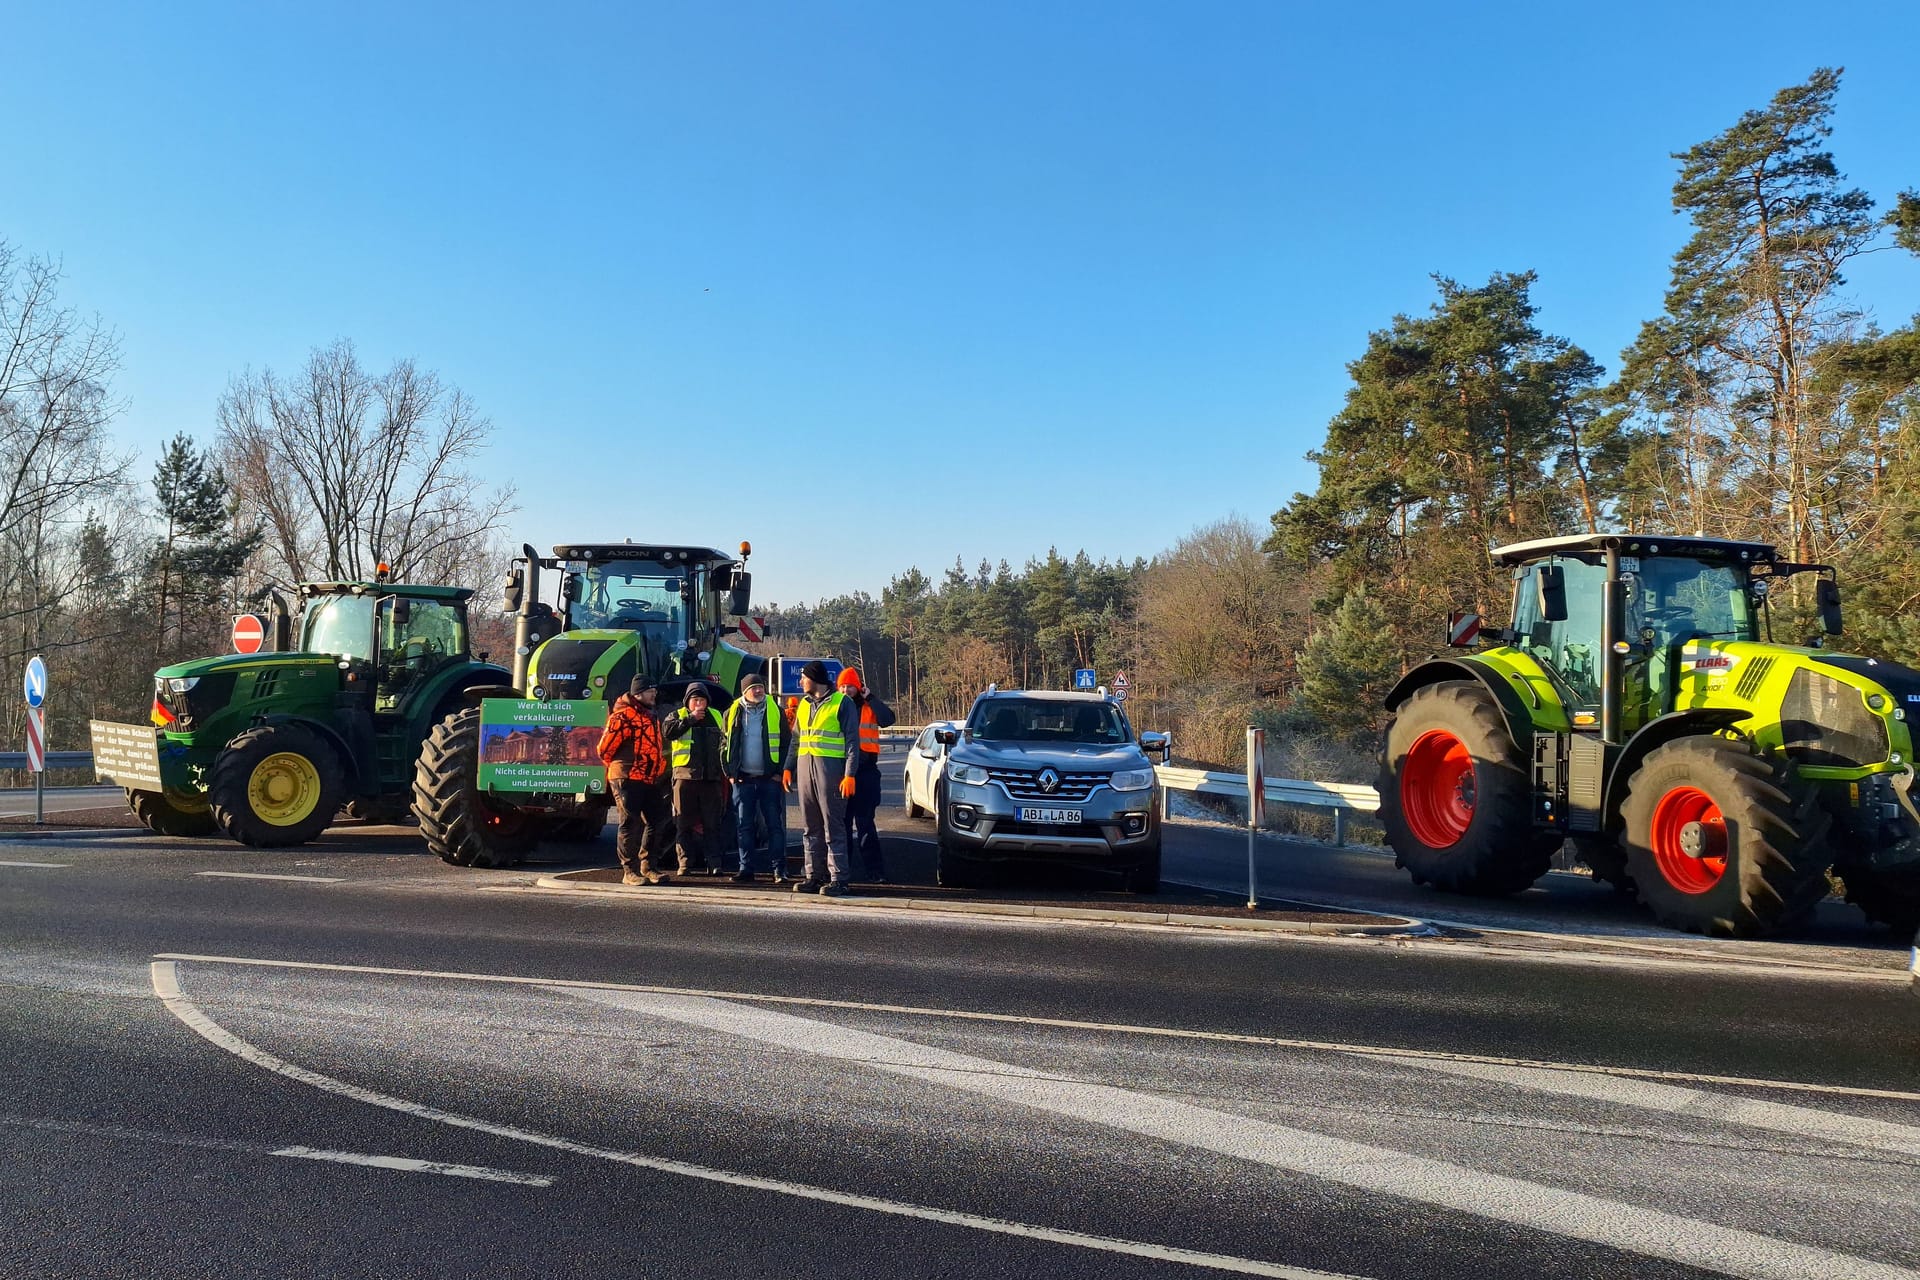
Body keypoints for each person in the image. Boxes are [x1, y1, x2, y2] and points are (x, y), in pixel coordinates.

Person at [790, 660, 862, 896]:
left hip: (830, 771)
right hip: (805, 770)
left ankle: (839, 878)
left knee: (833, 826)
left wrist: (849, 774)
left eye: (803, 678)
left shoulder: (842, 703)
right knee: (810, 827)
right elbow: (796, 740)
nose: (800, 682)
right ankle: (813, 875)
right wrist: (788, 767)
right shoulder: (803, 704)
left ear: (815, 679)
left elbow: (853, 742)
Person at [596, 675, 671, 884]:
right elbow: (604, 750)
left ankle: (649, 866)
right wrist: (622, 767)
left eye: (654, 691)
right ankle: (629, 871)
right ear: (638, 694)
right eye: (650, 691)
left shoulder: (651, 715)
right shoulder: (622, 716)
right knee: (630, 822)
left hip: (648, 778)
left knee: (658, 819)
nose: (654, 694)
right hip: (626, 777)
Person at [724, 672, 790, 883]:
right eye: (754, 688)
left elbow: (787, 743)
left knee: (774, 825)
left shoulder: (775, 712)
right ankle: (746, 870)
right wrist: (730, 774)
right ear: (745, 692)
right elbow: (723, 745)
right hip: (742, 780)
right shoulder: (731, 713)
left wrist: (780, 772)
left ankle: (779, 869)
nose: (759, 690)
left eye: (761, 687)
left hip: (769, 779)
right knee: (744, 826)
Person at [662, 682, 728, 877]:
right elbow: (668, 732)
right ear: (688, 702)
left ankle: (714, 864)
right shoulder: (676, 715)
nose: (699, 704)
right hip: (685, 777)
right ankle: (684, 864)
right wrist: (690, 720)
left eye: (702, 700)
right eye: (695, 700)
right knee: (683, 823)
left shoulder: (717, 716)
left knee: (712, 824)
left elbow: (726, 742)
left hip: (711, 779)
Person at [835, 667, 895, 882]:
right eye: (842, 686)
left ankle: (875, 872)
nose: (845, 689)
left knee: (865, 823)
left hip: (866, 772)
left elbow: (888, 719)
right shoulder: (833, 706)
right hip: (841, 772)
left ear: (858, 687)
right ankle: (842, 871)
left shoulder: (869, 705)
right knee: (841, 825)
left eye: (850, 685)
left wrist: (871, 697)